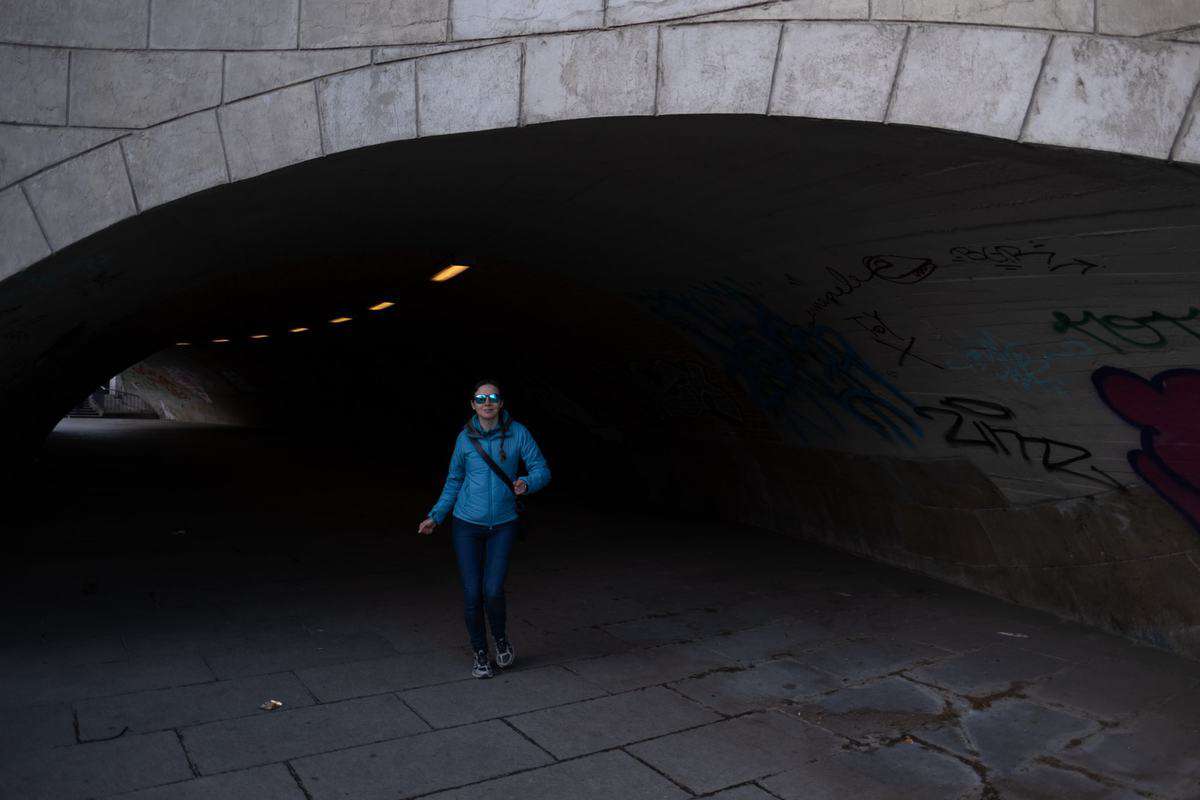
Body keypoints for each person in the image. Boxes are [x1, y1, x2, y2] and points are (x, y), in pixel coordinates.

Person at [418, 381, 551, 678]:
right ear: (473, 404)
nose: (487, 402)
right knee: (471, 593)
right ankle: (480, 653)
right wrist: (436, 516)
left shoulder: (519, 433)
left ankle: (501, 640)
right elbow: (454, 480)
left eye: (493, 398)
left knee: (492, 590)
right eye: (481, 398)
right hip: (467, 525)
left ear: (501, 404)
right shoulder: (465, 439)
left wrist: (528, 482)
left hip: (503, 524)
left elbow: (542, 468)